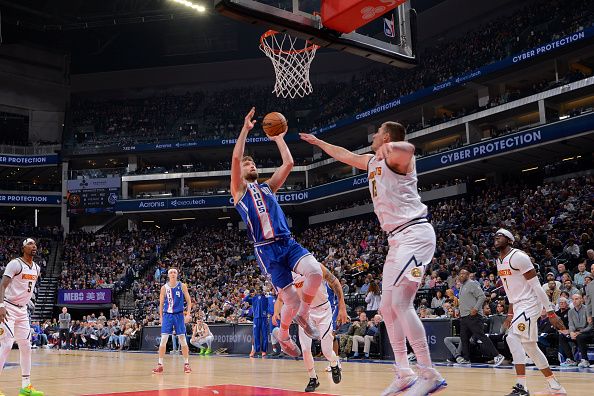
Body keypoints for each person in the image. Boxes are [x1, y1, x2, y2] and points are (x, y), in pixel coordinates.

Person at [301, 122, 446, 395]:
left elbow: (410, 149)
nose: (373, 136)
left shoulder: (396, 158)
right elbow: (344, 155)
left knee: (402, 304)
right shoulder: (370, 161)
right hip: (395, 240)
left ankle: (429, 373)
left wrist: (388, 149)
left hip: (415, 234)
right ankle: (404, 372)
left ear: (387, 137)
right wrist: (319, 143)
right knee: (388, 309)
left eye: (378, 133)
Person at [231, 108, 323, 357]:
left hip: (287, 242)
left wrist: (279, 138)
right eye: (248, 164)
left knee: (315, 272)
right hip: (266, 250)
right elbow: (237, 159)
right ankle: (283, 337)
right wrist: (245, 130)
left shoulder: (268, 187)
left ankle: (303, 316)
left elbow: (289, 163)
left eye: (253, 163)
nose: (250, 165)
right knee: (290, 300)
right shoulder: (240, 193)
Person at [494, 229, 567, 396]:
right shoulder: (499, 261)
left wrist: (550, 312)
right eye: (495, 236)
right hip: (519, 306)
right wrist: (510, 314)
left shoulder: (519, 257)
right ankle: (555, 385)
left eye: (501, 235)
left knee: (512, 337)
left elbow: (536, 286)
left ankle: (522, 387)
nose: (496, 238)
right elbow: (509, 290)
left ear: (510, 240)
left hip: (531, 303)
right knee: (530, 347)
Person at [273, 264, 348, 393]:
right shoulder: (288, 275)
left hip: (323, 310)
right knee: (306, 350)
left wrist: (342, 307)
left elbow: (335, 282)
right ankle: (313, 378)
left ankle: (334, 363)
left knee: (327, 351)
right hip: (305, 313)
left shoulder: (315, 265)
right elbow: (280, 299)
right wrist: (276, 312)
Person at [0, 238, 44, 396]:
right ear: (22, 247)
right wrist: (1, 306)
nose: (34, 246)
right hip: (8, 307)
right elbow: (2, 285)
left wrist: (28, 302)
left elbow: (27, 288)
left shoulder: (37, 268)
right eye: (30, 244)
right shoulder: (15, 264)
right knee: (6, 344)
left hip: (22, 310)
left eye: (35, 244)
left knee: (26, 346)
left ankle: (26, 386)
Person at [457, 268, 504, 365]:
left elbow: (482, 296)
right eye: (460, 274)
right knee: (464, 338)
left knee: (480, 336)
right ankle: (466, 358)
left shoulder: (472, 283)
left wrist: (475, 308)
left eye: (464, 274)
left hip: (473, 316)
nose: (461, 275)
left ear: (468, 275)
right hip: (464, 316)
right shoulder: (462, 286)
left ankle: (497, 355)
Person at [152, 268, 192, 374]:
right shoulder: (164, 288)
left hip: (179, 315)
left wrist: (188, 314)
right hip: (167, 315)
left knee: (182, 339)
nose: (173, 274)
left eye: (174, 272)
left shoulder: (182, 286)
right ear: (168, 275)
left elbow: (189, 301)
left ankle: (186, 364)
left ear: (177, 275)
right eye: (171, 273)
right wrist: (161, 317)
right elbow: (161, 304)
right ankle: (160, 364)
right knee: (163, 339)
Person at [557, 294, 593, 368]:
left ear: (581, 300)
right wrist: (571, 332)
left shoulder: (587, 310)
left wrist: (580, 332)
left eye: (576, 299)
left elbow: (591, 326)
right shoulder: (570, 311)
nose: (574, 301)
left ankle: (585, 360)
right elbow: (571, 324)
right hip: (576, 332)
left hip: (588, 332)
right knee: (562, 336)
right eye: (573, 299)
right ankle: (571, 359)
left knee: (580, 336)